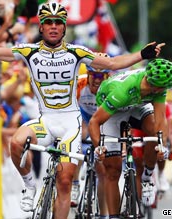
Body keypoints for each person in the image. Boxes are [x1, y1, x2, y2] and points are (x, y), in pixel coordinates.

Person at [0, 2, 165, 218]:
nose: (53, 26)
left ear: (64, 27)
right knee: (17, 143)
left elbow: (112, 63)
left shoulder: (76, 52)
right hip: (46, 121)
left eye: (58, 23)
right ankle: (29, 186)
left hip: (70, 124)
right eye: (48, 22)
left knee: (65, 180)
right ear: (40, 27)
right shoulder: (28, 52)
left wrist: (142, 55)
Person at [88, 58, 172, 218]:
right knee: (113, 170)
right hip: (113, 111)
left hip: (137, 106)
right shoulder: (121, 91)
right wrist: (99, 147)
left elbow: (160, 121)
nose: (165, 90)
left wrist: (161, 144)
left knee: (153, 132)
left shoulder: (158, 86)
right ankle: (114, 215)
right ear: (155, 86)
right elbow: (94, 122)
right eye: (163, 88)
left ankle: (147, 177)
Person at [72, 53, 111, 217]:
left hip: (103, 121)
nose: (96, 80)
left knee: (102, 170)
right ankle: (75, 184)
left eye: (101, 76)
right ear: (87, 74)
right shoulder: (79, 84)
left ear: (107, 76)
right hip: (83, 117)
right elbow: (70, 110)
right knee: (78, 146)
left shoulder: (111, 87)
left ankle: (103, 214)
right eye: (93, 75)